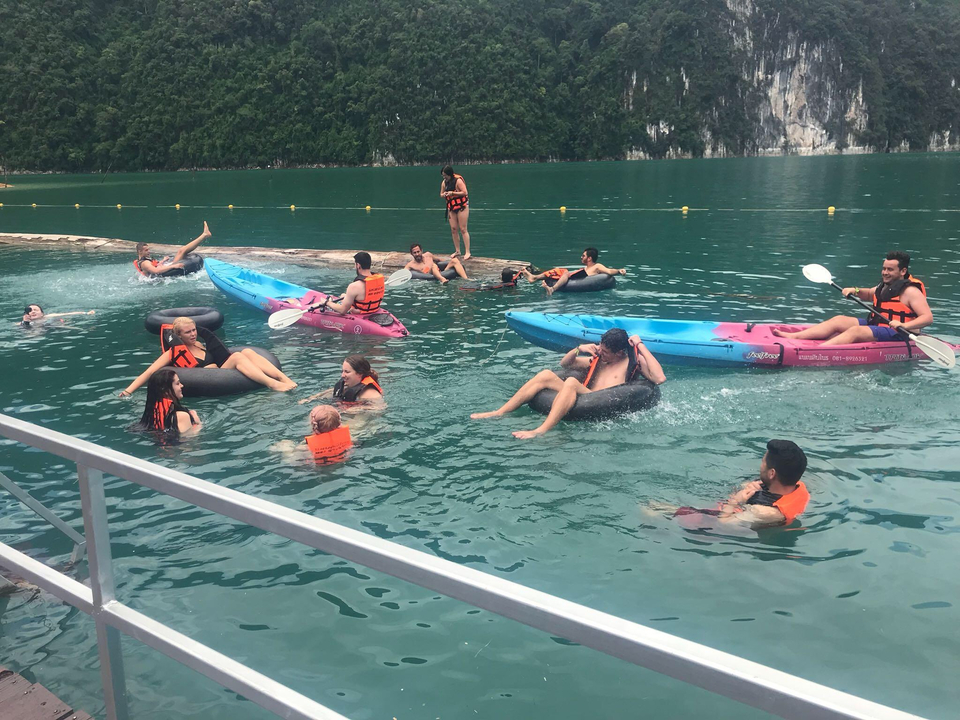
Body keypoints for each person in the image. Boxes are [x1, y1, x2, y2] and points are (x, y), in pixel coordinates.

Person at [471, 328, 666, 439]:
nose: (601, 353)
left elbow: (659, 378)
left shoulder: (633, 363)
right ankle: (499, 412)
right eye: (601, 348)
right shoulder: (598, 359)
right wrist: (579, 349)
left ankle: (540, 430)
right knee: (546, 374)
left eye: (606, 352)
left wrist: (640, 345)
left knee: (571, 382)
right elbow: (565, 364)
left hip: (601, 400)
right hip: (585, 394)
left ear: (620, 353)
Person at [772, 251, 931, 345]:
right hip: (879, 324)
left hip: (900, 333)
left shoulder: (911, 291)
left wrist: (903, 324)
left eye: (890, 270)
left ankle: (819, 350)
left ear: (903, 271)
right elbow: (870, 294)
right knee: (839, 320)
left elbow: (927, 318)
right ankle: (794, 336)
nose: (885, 272)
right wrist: (855, 291)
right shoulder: (886, 285)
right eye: (884, 269)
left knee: (856, 331)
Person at [118, 316, 296, 396]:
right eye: (188, 332)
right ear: (179, 335)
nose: (193, 334)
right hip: (209, 378)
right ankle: (272, 384)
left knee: (247, 352)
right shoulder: (172, 353)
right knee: (237, 357)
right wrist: (128, 391)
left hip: (222, 373)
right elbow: (150, 372)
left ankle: (284, 379)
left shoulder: (198, 344)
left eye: (194, 330)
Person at [671, 440, 810, 529]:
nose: (760, 466)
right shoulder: (794, 484)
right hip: (726, 510)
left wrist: (736, 500)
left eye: (763, 462)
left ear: (772, 473)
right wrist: (747, 487)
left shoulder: (765, 512)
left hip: (710, 527)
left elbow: (723, 523)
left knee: (662, 511)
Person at [522, 248, 627, 296]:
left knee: (565, 272)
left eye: (583, 256)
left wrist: (618, 271)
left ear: (589, 258)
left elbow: (609, 271)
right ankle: (534, 278)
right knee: (558, 270)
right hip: (577, 278)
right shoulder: (585, 268)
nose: (581, 257)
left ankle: (552, 289)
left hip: (580, 280)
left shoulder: (597, 266)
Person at [308, 251, 387, 315]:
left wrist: (327, 303)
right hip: (372, 310)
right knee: (343, 295)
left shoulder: (354, 286)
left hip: (359, 314)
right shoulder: (380, 281)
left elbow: (342, 311)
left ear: (358, 265)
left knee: (324, 302)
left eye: (355, 264)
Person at [131, 367, 201, 436]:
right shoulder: (182, 416)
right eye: (177, 383)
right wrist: (197, 423)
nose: (181, 385)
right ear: (165, 390)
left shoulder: (150, 416)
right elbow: (188, 441)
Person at [299, 355, 384, 407]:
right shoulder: (347, 386)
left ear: (359, 374)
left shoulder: (371, 394)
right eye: (342, 371)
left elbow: (379, 408)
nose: (342, 375)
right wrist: (311, 398)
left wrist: (356, 409)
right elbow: (332, 391)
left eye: (347, 372)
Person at [134, 221, 211, 277]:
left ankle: (204, 234)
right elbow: (156, 271)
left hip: (163, 270)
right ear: (140, 251)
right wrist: (173, 266)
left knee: (182, 251)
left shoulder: (145, 260)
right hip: (162, 275)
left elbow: (155, 266)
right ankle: (204, 235)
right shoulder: (145, 263)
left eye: (148, 249)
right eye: (146, 250)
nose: (149, 252)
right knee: (182, 251)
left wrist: (163, 261)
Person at [441, 165, 471, 260]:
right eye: (443, 175)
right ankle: (457, 251)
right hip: (451, 207)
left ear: (450, 174)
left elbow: (465, 192)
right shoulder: (444, 182)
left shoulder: (458, 181)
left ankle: (467, 251)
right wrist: (445, 194)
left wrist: (453, 193)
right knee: (453, 229)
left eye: (445, 175)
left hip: (462, 206)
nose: (444, 177)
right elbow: (441, 194)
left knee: (463, 229)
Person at [404, 243, 469, 283]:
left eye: (418, 252)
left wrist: (447, 264)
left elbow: (439, 260)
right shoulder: (410, 265)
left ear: (421, 251)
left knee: (455, 260)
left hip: (440, 272)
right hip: (429, 276)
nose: (417, 254)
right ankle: (442, 279)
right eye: (414, 253)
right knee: (433, 266)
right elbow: (403, 272)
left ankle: (466, 280)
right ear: (411, 254)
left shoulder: (428, 255)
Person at [18, 304, 95, 326]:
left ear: (42, 313)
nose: (33, 312)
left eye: (36, 310)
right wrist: (25, 322)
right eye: (30, 311)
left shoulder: (48, 316)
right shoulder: (22, 322)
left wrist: (86, 313)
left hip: (53, 325)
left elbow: (68, 314)